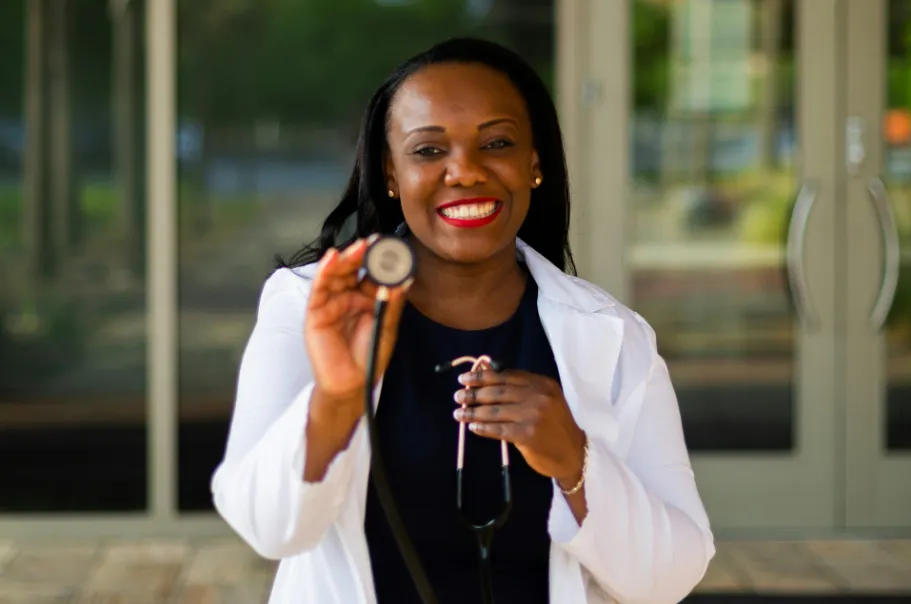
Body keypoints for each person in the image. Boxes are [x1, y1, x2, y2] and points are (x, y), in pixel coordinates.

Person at [211, 37, 715, 604]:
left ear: (534, 164)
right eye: (428, 151)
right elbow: (268, 528)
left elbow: (672, 577)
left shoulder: (614, 336)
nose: (466, 172)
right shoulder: (309, 307)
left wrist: (576, 462)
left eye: (496, 143)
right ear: (392, 173)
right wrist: (335, 398)